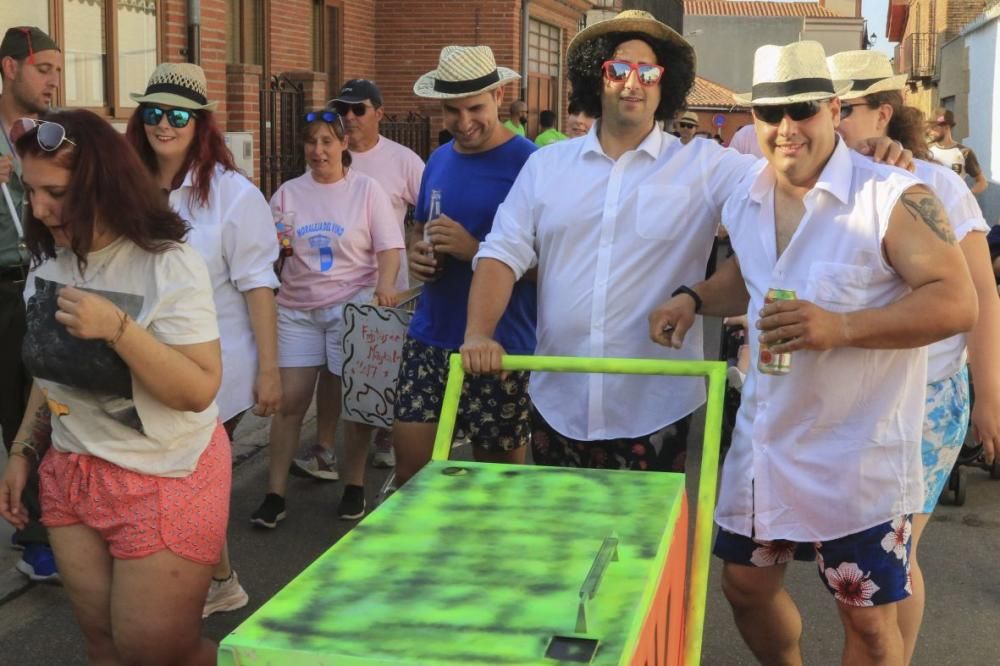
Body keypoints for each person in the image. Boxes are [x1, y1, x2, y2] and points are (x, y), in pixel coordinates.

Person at [462, 12, 910, 475]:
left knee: (648, 546)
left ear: (665, 83)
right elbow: (501, 253)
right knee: (561, 543)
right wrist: (478, 332)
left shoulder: (704, 165)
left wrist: (860, 156)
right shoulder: (546, 166)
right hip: (557, 401)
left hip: (654, 406)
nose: (631, 83)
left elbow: (792, 176)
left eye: (648, 72)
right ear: (597, 78)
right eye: (617, 70)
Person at [648, 41, 977, 665]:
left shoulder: (892, 196)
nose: (786, 128)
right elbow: (748, 275)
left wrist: (841, 328)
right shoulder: (746, 195)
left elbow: (958, 303)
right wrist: (692, 296)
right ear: (754, 118)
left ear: (830, 109)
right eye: (771, 113)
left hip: (857, 456)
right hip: (766, 442)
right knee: (744, 588)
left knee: (871, 631)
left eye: (802, 109)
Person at [0, 109, 229, 665]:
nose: (39, 209)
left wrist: (119, 330)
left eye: (54, 192)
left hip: (165, 476)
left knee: (155, 651)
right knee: (103, 646)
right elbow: (48, 371)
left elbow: (200, 388)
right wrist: (24, 451)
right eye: (30, 191)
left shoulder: (167, 264)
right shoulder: (48, 262)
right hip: (74, 475)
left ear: (100, 185)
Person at [829, 49, 1000, 665]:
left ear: (883, 112)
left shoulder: (943, 185)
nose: (831, 118)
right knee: (876, 557)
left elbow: (982, 296)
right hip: (858, 395)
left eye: (843, 107)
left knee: (894, 554)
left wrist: (990, 400)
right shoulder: (829, 186)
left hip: (929, 395)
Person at [125, 62, 281, 618]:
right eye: (153, 112)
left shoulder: (233, 196)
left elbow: (259, 285)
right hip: (146, 362)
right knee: (181, 475)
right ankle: (214, 577)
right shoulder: (128, 188)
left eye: (177, 115)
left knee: (188, 472)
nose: (163, 125)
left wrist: (269, 370)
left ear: (200, 123)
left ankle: (212, 581)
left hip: (220, 367)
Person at [393, 45, 537, 487]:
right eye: (451, 110)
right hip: (429, 335)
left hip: (499, 346)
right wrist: (417, 252)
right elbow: (421, 227)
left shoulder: (530, 161)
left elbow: (554, 265)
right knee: (413, 481)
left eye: (475, 107)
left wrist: (475, 249)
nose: (463, 121)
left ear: (499, 96)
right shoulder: (438, 159)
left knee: (495, 490)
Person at [252, 110, 402, 526]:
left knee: (354, 404)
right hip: (297, 309)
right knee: (290, 404)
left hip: (350, 308)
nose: (318, 151)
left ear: (343, 146)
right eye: (311, 142)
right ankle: (274, 494)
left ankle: (353, 486)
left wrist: (385, 287)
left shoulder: (366, 191)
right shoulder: (286, 194)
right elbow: (274, 250)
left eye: (327, 142)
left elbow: (390, 247)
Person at [295, 78, 424, 474]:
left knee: (381, 369)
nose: (349, 117)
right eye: (343, 110)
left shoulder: (403, 160)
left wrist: (418, 257)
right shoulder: (326, 153)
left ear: (379, 113)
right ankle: (325, 445)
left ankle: (385, 435)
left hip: (388, 290)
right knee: (337, 372)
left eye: (359, 109)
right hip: (338, 288)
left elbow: (430, 212)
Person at [0, 25, 62, 582]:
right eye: (44, 69)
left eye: (58, 71)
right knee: (11, 406)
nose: (53, 81)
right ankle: (34, 524)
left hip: (47, 279)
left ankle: (52, 528)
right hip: (2, 284)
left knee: (53, 398)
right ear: (10, 67)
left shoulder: (58, 132)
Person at [926, 108, 988, 194]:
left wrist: (966, 197)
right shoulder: (927, 150)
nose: (929, 131)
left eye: (933, 128)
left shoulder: (964, 152)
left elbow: (982, 182)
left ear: (946, 127)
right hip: (933, 205)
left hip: (952, 207)